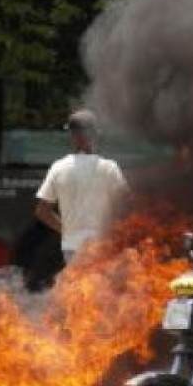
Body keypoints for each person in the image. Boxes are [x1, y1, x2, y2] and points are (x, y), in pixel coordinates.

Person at [33, 109, 129, 273]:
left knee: (79, 293)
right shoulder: (109, 168)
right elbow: (126, 206)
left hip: (71, 246)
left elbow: (42, 211)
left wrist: (67, 230)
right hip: (102, 245)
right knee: (101, 293)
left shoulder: (59, 168)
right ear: (95, 135)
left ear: (72, 137)